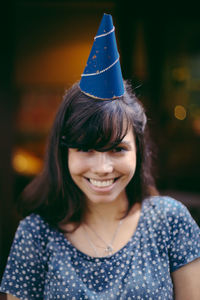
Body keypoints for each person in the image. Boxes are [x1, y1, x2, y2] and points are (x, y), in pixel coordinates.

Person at [0, 13, 200, 300]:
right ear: (63, 151)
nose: (103, 168)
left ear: (138, 151)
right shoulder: (36, 234)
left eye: (117, 149)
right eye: (86, 149)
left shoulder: (170, 222)